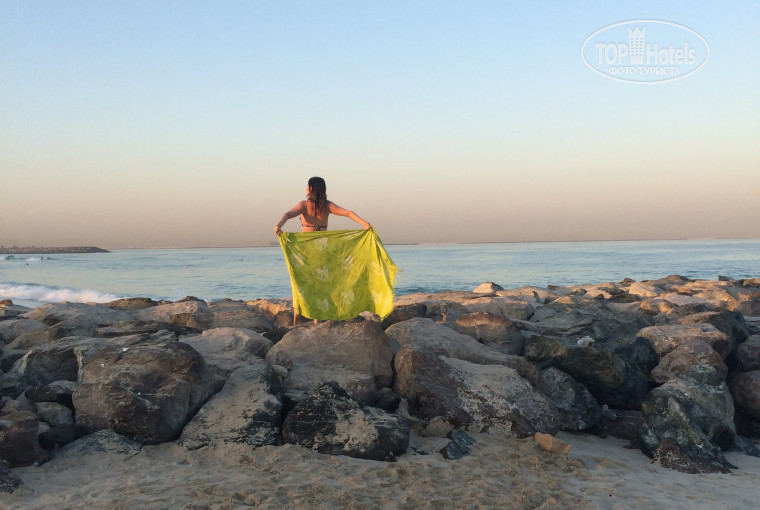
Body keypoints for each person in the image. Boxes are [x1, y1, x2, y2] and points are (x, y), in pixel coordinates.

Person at [274, 176, 370, 235]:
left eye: (307, 185)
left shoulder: (304, 205)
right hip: (322, 244)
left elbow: (288, 215)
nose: (306, 188)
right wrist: (364, 223)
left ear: (311, 188)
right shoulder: (327, 205)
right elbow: (348, 213)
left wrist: (278, 226)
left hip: (307, 244)